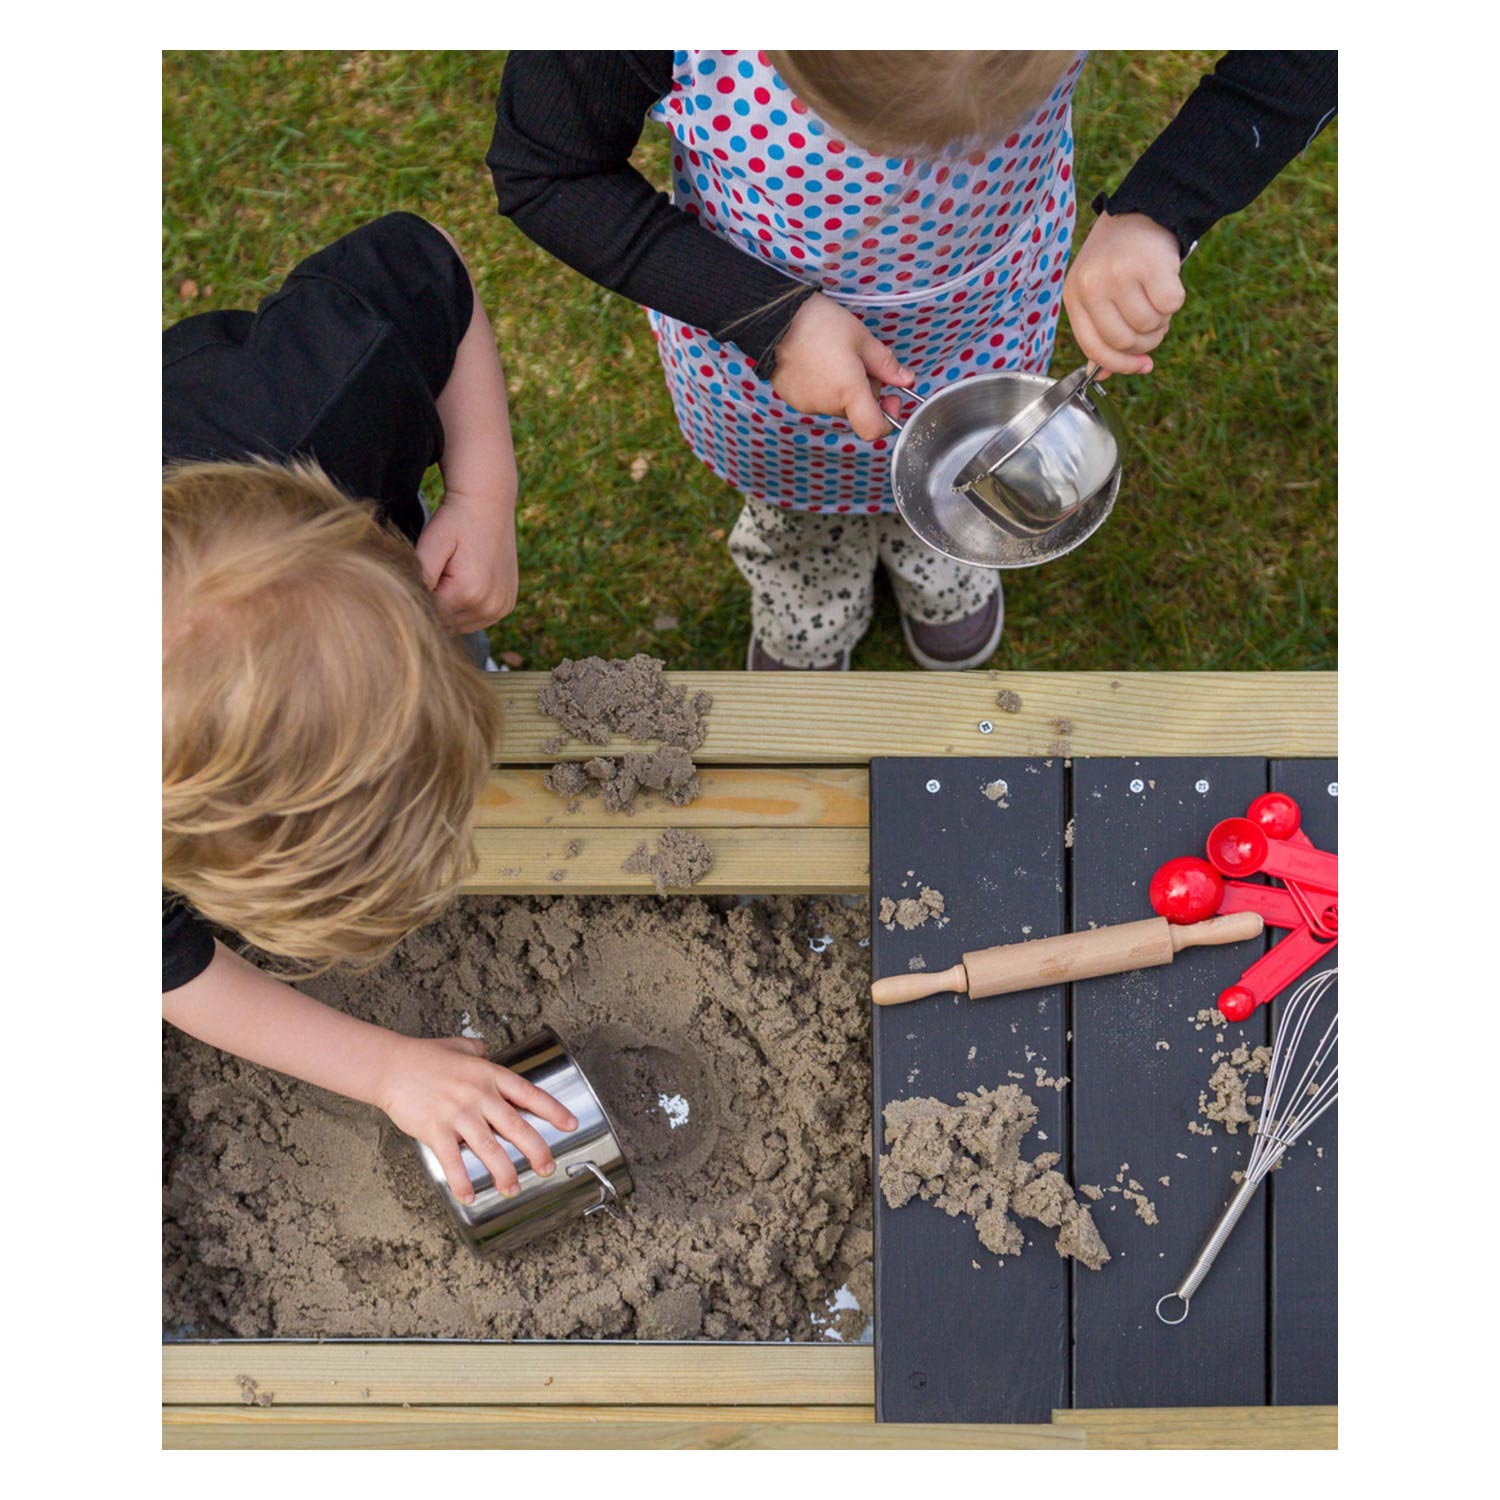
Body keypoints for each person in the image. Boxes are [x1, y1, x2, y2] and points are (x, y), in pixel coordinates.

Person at [489, 50, 1336, 670]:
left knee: (960, 457)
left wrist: (1161, 210)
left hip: (986, 295)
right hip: (765, 324)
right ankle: (808, 573)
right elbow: (548, 172)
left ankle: (939, 542)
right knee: (803, 488)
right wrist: (767, 317)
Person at [163, 213, 573, 1203]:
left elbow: (427, 260)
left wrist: (483, 493)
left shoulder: (324, 388)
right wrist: (386, 1071)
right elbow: (161, 963)